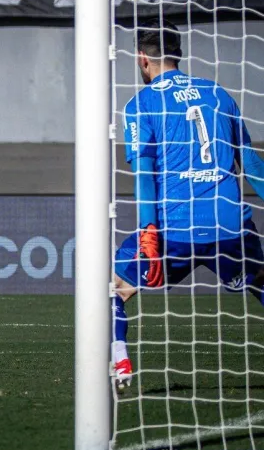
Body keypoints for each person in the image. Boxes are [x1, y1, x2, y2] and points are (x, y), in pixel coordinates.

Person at [113, 25, 264, 390]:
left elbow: (145, 177)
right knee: (260, 280)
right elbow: (253, 167)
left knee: (114, 287)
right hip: (230, 223)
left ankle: (120, 361)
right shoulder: (218, 93)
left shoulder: (141, 104)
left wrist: (149, 231)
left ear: (142, 59)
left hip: (175, 228)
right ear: (178, 55)